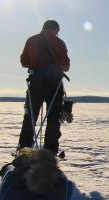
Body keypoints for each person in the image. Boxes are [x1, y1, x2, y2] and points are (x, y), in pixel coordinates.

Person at [18, 20, 70, 155]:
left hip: (36, 83)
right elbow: (66, 66)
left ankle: (24, 150)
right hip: (54, 84)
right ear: (55, 30)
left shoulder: (31, 40)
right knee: (53, 118)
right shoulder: (60, 43)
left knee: (30, 116)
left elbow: (24, 62)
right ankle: (50, 152)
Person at [0, 148, 73, 200]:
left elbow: (7, 179)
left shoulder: (22, 169)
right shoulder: (58, 174)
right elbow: (67, 188)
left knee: (10, 176)